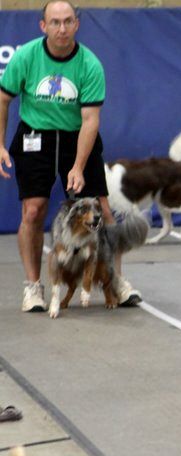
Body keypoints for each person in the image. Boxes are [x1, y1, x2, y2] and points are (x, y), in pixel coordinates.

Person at [0, 0, 141, 312]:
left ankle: (115, 279)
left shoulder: (89, 64)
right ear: (43, 26)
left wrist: (77, 166)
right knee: (33, 212)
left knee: (101, 211)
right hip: (35, 136)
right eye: (55, 22)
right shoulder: (26, 57)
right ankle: (33, 288)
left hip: (78, 135)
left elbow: (91, 120)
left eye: (67, 22)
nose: (61, 28)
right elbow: (3, 99)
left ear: (77, 24)